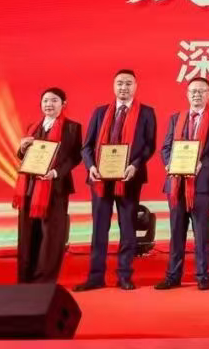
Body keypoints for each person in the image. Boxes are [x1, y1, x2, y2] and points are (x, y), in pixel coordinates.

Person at [76, 69, 157, 292]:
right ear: (114, 86)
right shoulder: (100, 112)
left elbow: (149, 145)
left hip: (129, 178)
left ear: (135, 87)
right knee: (99, 228)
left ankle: (124, 275)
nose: (124, 87)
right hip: (100, 179)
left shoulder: (146, 113)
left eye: (128, 83)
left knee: (128, 227)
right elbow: (86, 146)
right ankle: (95, 277)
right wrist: (91, 167)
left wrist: (135, 165)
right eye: (120, 83)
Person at [156, 78, 209, 291]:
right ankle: (173, 276)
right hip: (176, 184)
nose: (197, 94)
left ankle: (203, 276)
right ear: (187, 94)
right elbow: (166, 147)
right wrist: (169, 164)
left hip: (202, 183)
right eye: (193, 91)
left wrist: (202, 163)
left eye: (201, 91)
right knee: (176, 232)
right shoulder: (176, 118)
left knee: (201, 232)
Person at [14, 87, 82, 283]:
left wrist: (56, 173)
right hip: (29, 187)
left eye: (54, 100)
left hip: (55, 188)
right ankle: (25, 280)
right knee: (27, 235)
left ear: (63, 104)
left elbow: (75, 157)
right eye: (45, 101)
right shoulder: (32, 127)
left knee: (51, 237)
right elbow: (25, 157)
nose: (49, 104)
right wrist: (22, 149)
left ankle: (44, 282)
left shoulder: (72, 128)